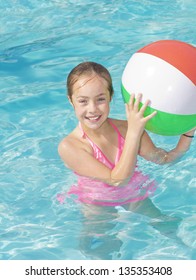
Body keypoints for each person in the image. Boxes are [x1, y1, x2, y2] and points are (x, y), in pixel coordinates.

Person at [58, 61, 195, 211]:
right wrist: (134, 132)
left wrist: (188, 132)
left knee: (165, 225)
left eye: (100, 99)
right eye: (83, 101)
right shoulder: (70, 146)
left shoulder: (127, 128)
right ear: (71, 100)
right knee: (98, 234)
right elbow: (117, 180)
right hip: (97, 202)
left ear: (110, 97)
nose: (92, 109)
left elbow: (164, 160)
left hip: (133, 193)